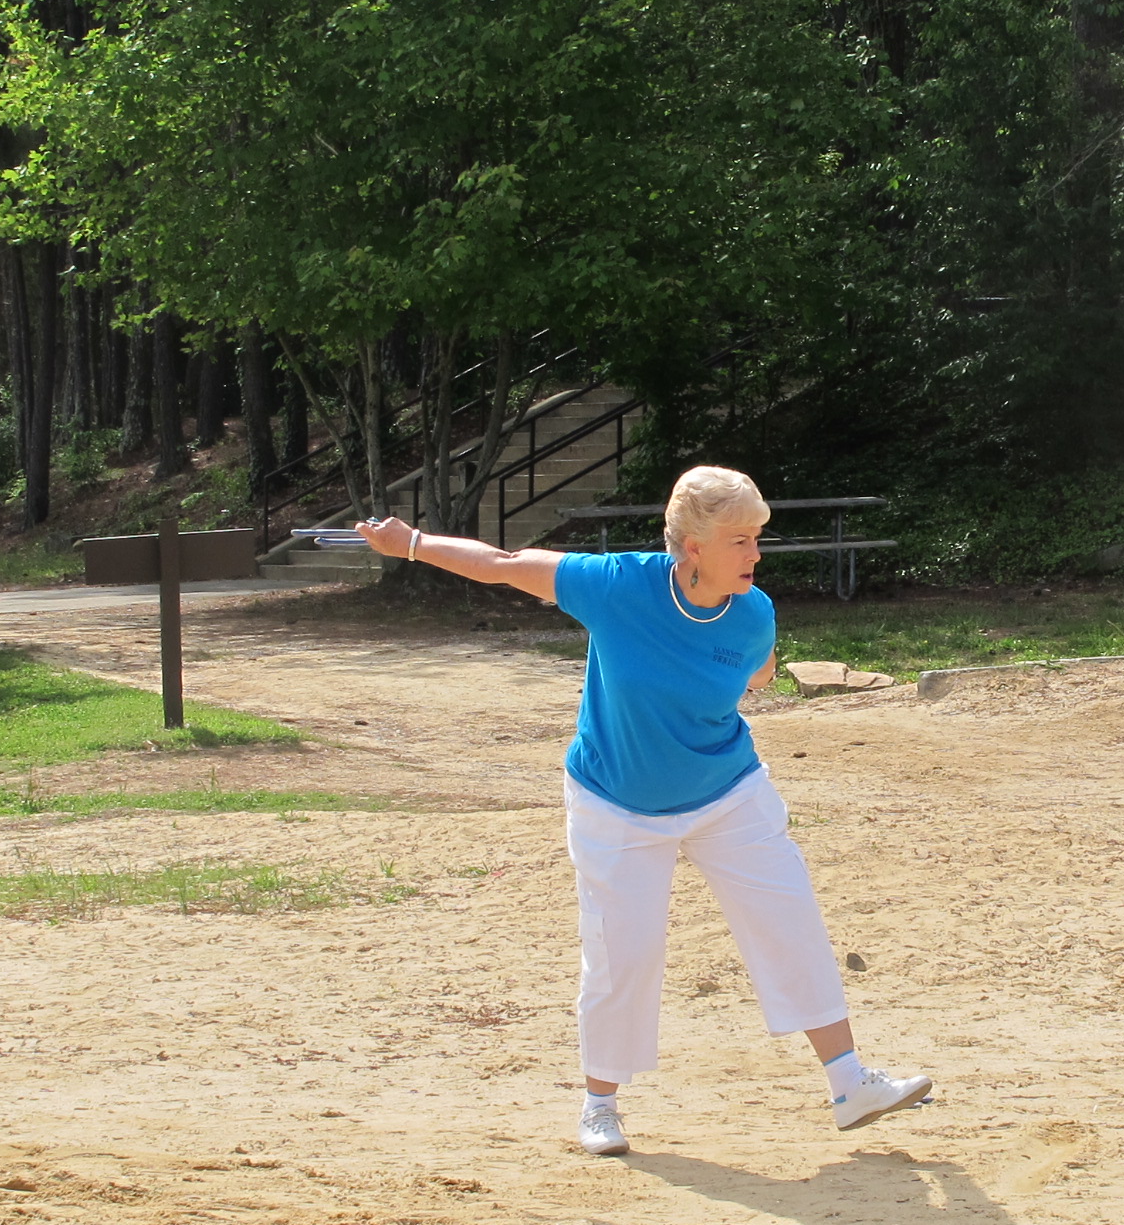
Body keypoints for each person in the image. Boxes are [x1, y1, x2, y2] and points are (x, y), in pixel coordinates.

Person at [355, 466, 930, 1155]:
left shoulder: (754, 612)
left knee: (789, 919)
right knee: (623, 953)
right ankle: (601, 1106)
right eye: (742, 540)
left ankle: (849, 1082)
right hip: (615, 803)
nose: (756, 554)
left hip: (727, 793)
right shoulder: (617, 587)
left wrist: (752, 673)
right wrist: (411, 543)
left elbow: (759, 668)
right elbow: (505, 566)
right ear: (692, 547)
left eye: (758, 538)